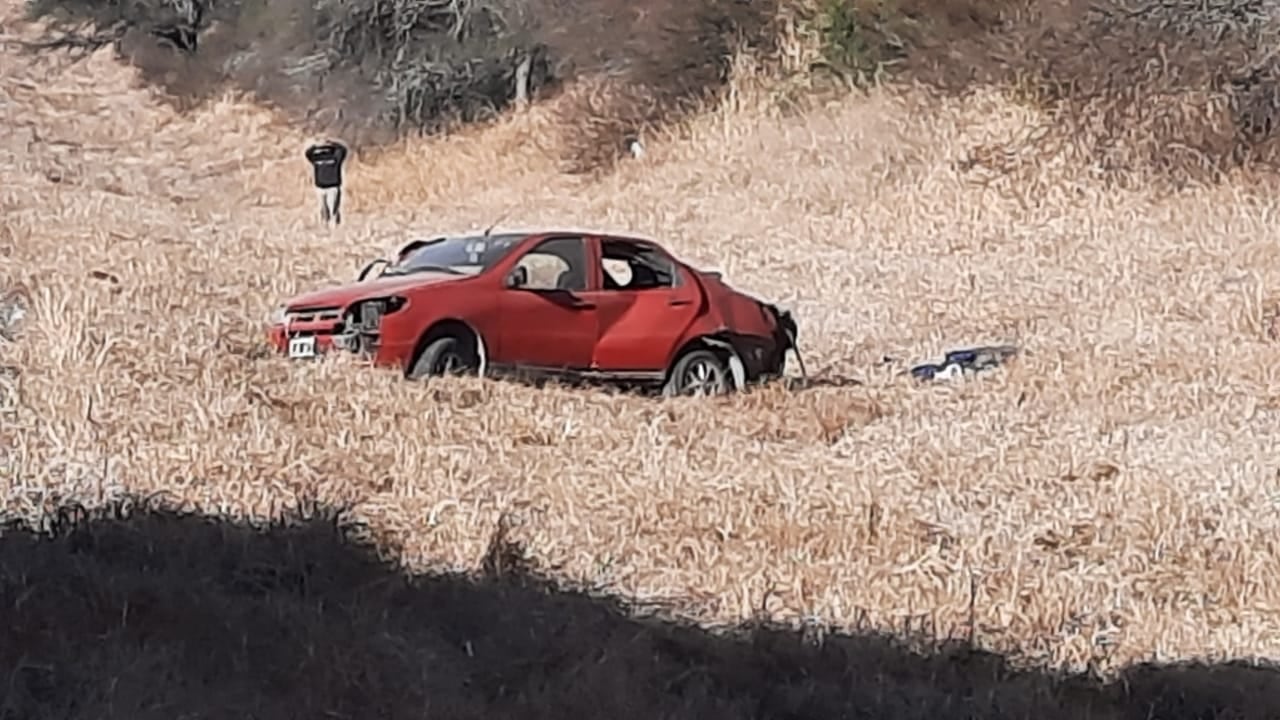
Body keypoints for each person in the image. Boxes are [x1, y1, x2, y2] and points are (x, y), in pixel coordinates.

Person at [305, 139, 348, 226]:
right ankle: (324, 224)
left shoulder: (335, 156)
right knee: (322, 208)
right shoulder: (317, 157)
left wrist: (332, 143)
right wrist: (316, 145)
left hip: (333, 187)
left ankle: (334, 225)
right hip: (320, 187)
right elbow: (307, 153)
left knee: (333, 208)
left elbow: (343, 150)